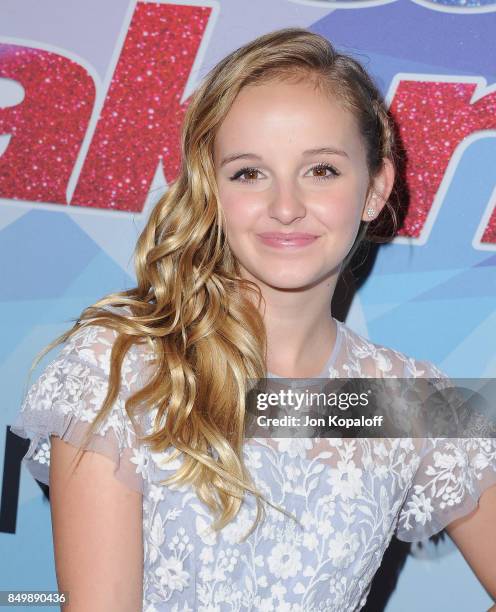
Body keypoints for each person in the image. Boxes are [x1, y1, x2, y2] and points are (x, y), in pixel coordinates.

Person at [11, 27, 496, 612]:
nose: (286, 207)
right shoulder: (121, 369)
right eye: (249, 173)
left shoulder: (400, 402)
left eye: (321, 170)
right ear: (210, 189)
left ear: (376, 188)